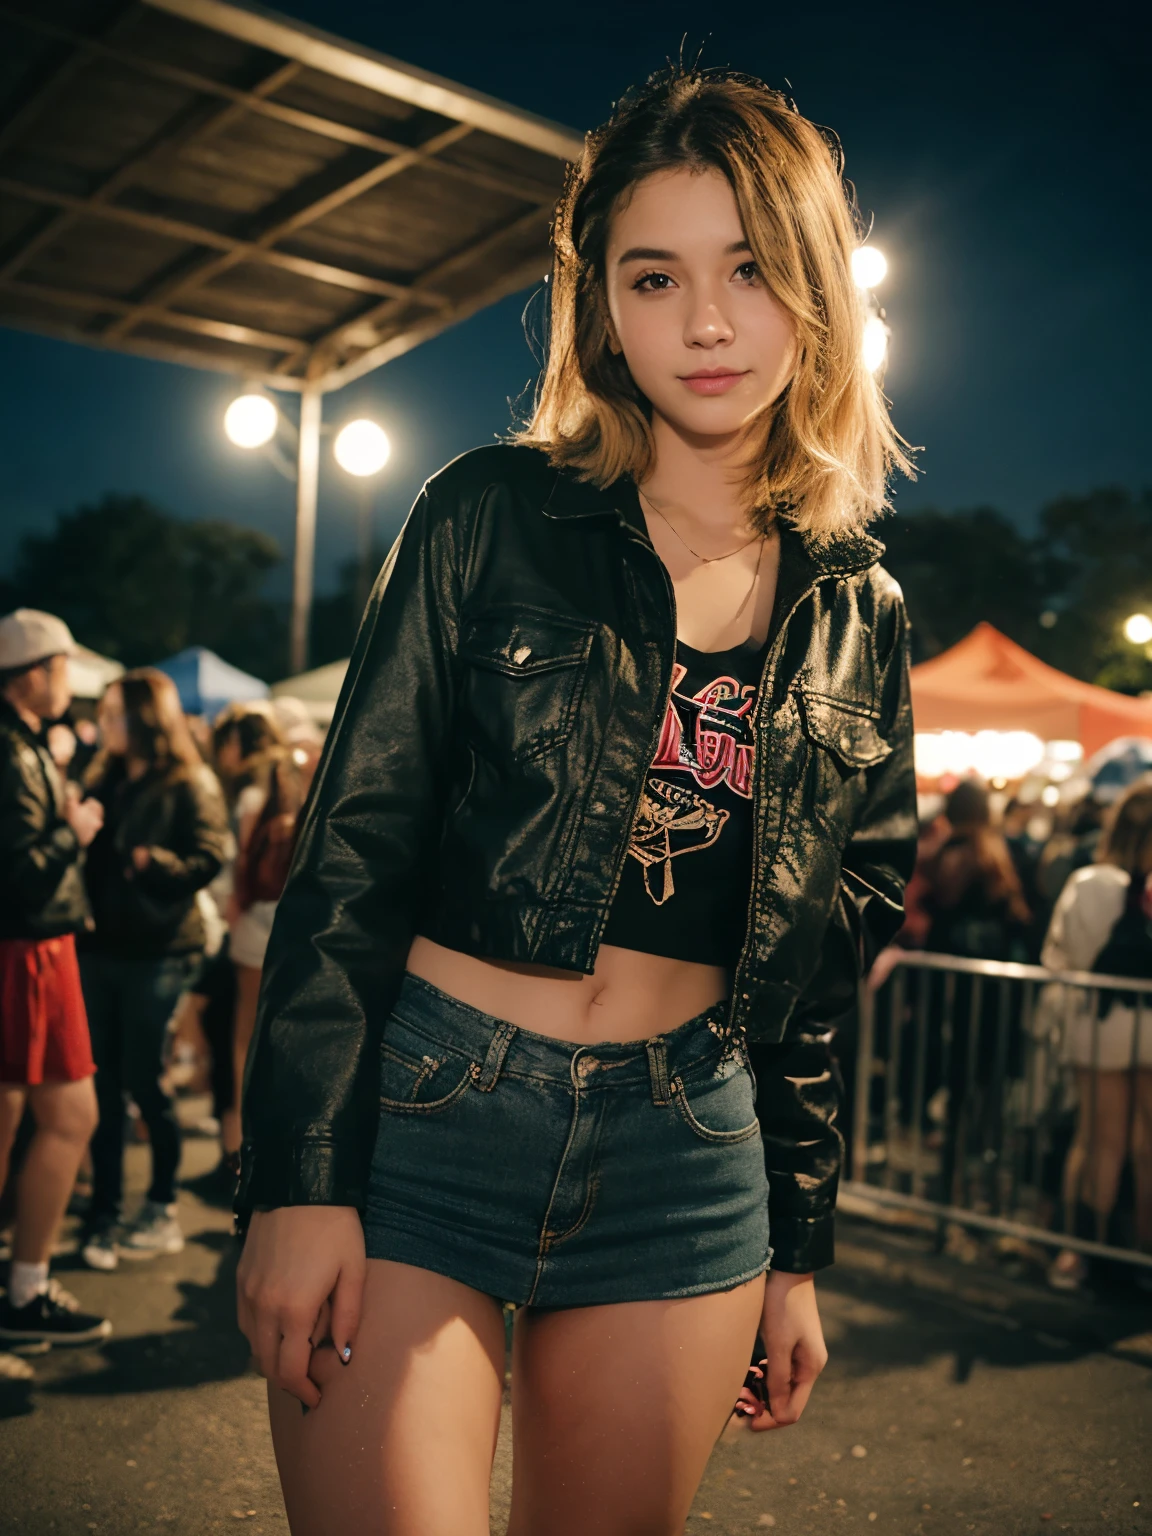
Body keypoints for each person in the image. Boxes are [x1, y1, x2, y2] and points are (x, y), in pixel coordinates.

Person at [237, 66, 917, 1535]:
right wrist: (297, 1179)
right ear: (599, 303)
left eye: (753, 270)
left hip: (689, 1156)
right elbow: (349, 858)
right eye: (655, 275)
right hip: (429, 1114)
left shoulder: (864, 611)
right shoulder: (487, 512)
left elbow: (816, 975)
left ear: (818, 292)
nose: (711, 322)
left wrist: (796, 1246)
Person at [77, 669, 230, 1270]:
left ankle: (161, 1203)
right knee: (100, 1085)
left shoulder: (189, 779)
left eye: (115, 712)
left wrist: (153, 862)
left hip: (161, 948)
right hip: (99, 946)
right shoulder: (105, 775)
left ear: (145, 718)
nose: (105, 722)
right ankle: (103, 1214)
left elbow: (209, 855)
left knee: (143, 1078)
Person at [0, 609, 111, 1346]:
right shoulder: (13, 751)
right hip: (26, 947)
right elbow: (17, 877)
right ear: (35, 672)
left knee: (31, 1118)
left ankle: (24, 1285)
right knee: (63, 1118)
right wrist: (72, 833)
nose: (69, 684)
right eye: (63, 667)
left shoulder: (24, 745)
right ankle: (25, 1289)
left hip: (35, 947)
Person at [1041, 776, 1152, 1290]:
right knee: (1146, 1143)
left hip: (1098, 1024)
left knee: (1097, 1140)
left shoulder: (1089, 883)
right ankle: (1141, 1253)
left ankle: (1077, 1253)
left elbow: (1057, 955)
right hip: (1147, 1020)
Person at [211, 702, 306, 1176]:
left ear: (237, 742)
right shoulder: (295, 770)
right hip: (289, 915)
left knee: (244, 1035)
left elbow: (241, 863)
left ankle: (242, 1147)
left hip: (253, 920)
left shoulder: (249, 791)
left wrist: (231, 904)